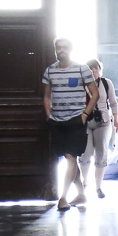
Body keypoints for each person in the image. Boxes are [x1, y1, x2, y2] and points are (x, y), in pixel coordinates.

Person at [42, 37, 98, 212]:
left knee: (70, 156)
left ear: (71, 50)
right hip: (57, 121)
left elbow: (94, 94)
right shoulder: (50, 71)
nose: (61, 50)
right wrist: (49, 115)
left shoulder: (82, 69)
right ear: (55, 50)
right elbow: (47, 95)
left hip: (76, 120)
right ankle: (81, 193)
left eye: (65, 48)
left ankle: (63, 197)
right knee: (68, 157)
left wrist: (84, 114)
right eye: (59, 48)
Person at [81, 58, 118, 198]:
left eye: (96, 68)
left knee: (101, 153)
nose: (94, 71)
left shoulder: (106, 83)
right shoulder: (82, 84)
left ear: (100, 70)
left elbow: (113, 103)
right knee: (85, 153)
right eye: (91, 69)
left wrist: (116, 120)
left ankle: (98, 187)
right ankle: (84, 183)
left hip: (103, 122)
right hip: (86, 122)